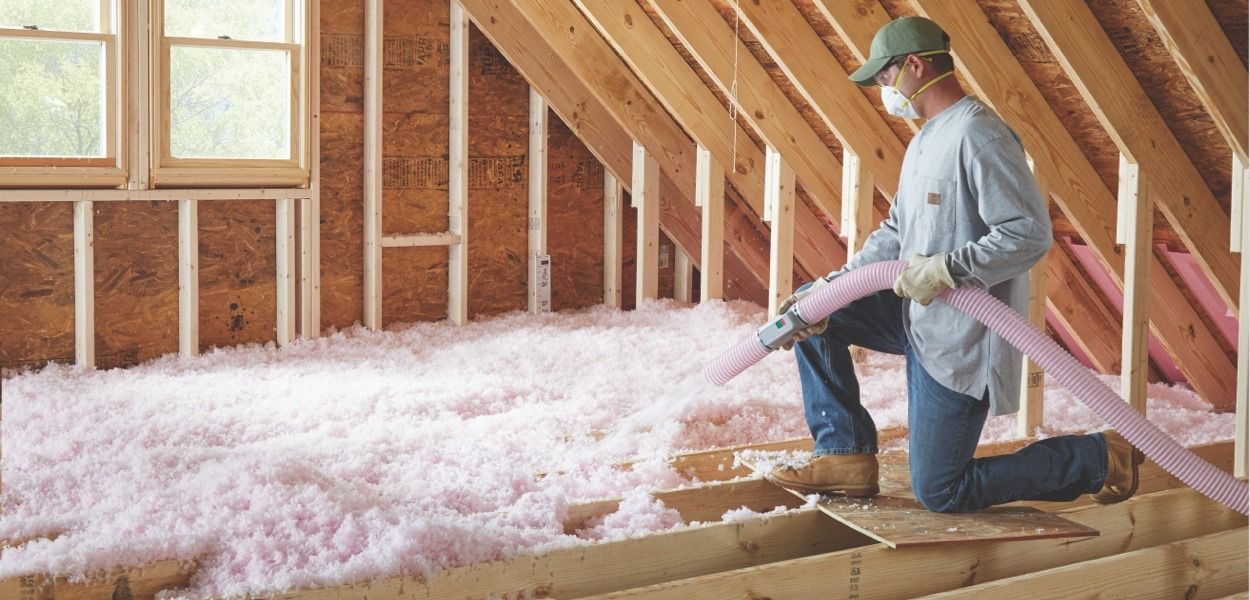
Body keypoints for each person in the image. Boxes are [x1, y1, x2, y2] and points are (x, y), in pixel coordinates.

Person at [767, 16, 1143, 513]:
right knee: (817, 317)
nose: (883, 89)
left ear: (915, 66)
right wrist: (832, 287)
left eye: (884, 76)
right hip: (918, 317)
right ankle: (845, 457)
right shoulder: (924, 141)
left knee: (942, 490)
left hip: (960, 340)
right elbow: (895, 235)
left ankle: (1095, 458)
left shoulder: (978, 135)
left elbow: (1028, 233)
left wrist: (946, 269)